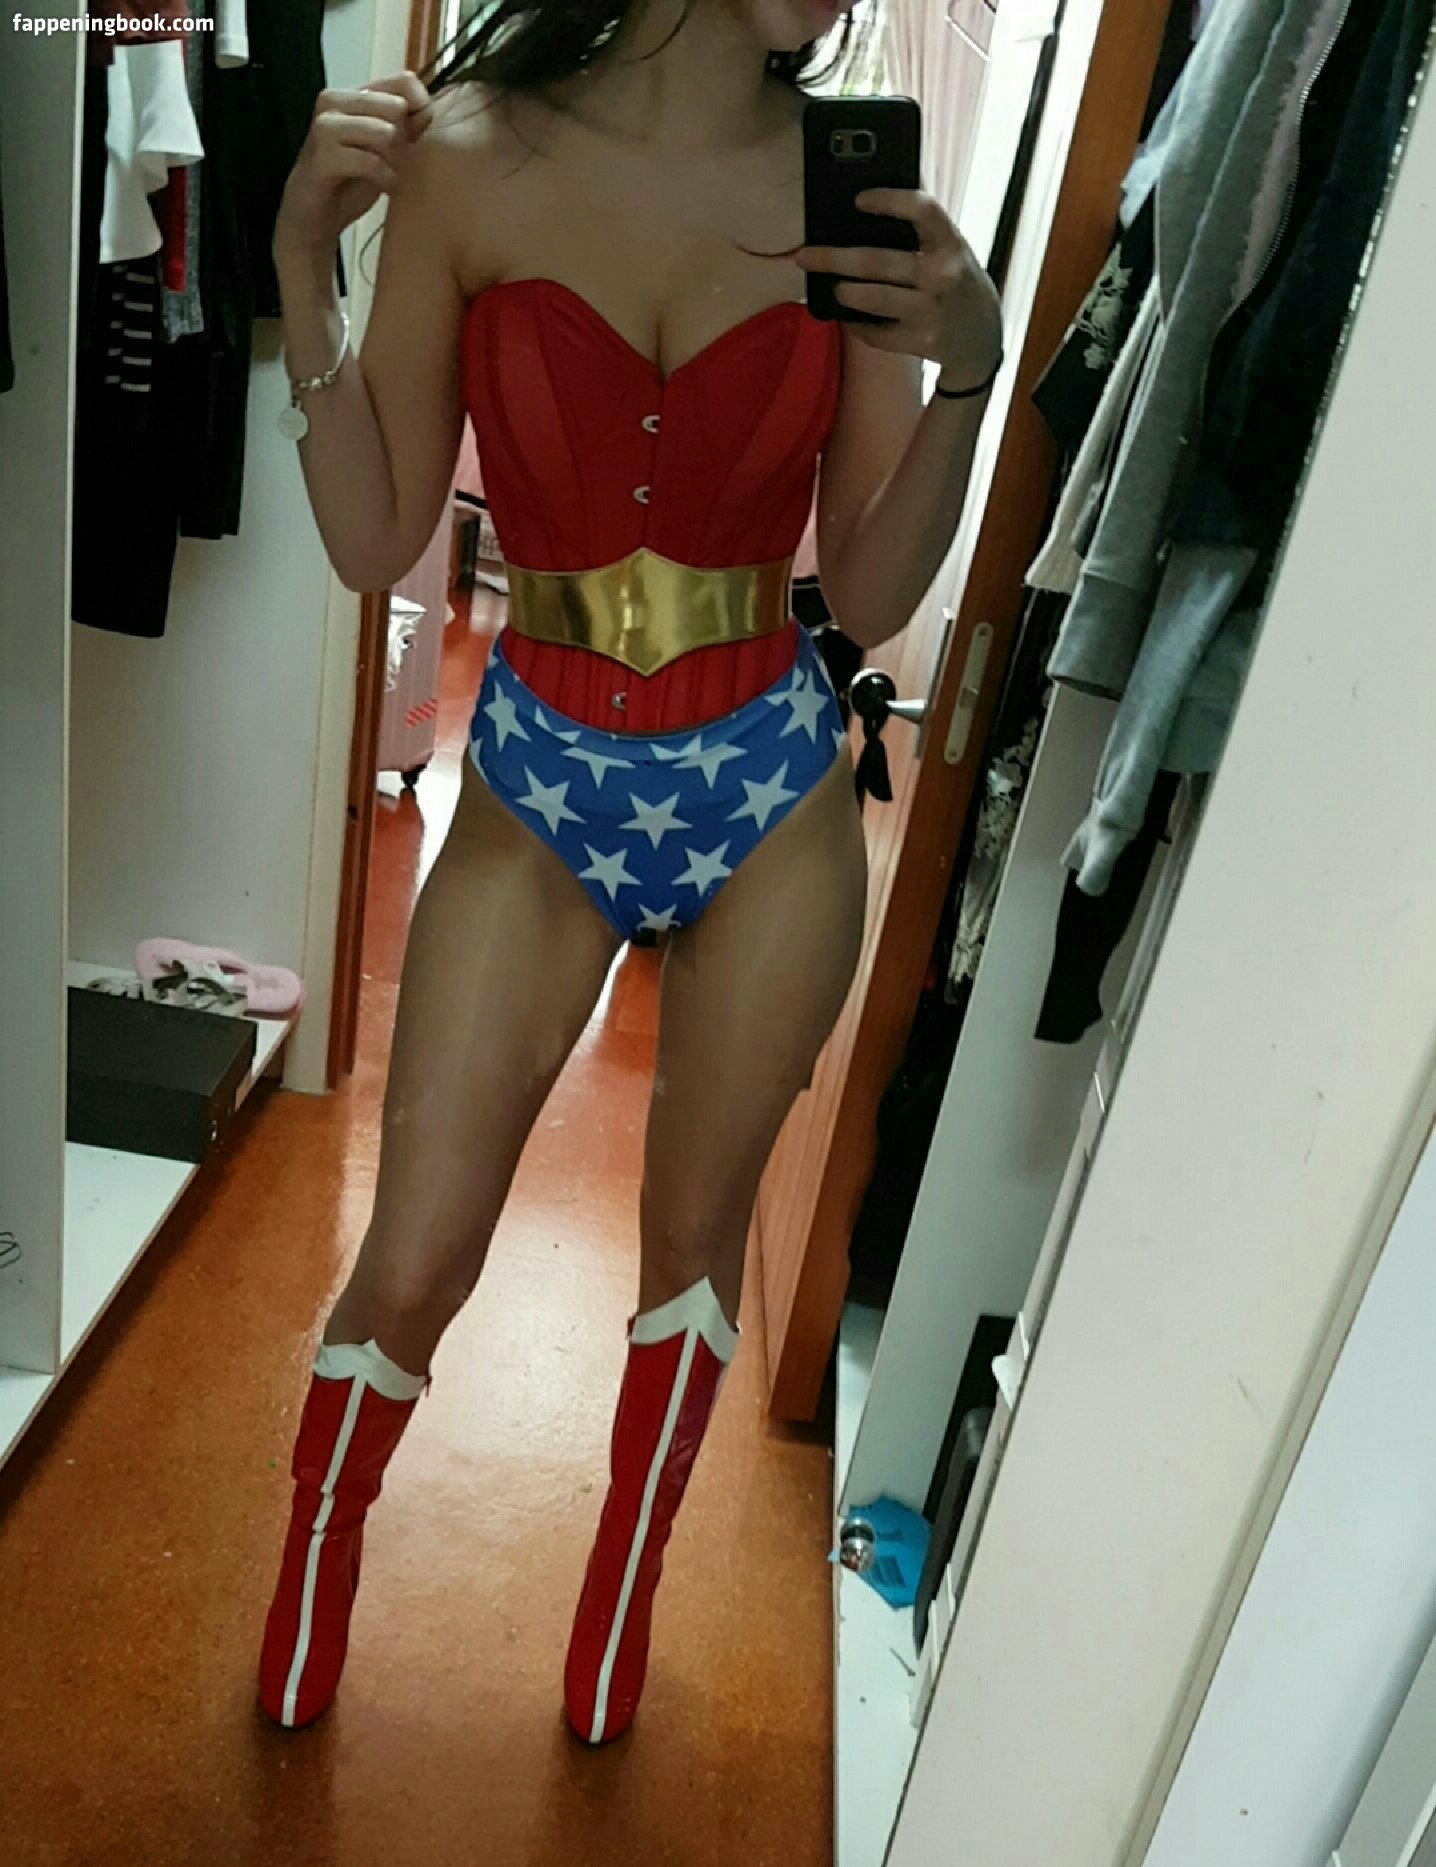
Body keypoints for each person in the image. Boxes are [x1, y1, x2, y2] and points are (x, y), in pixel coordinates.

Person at [257, 0, 1003, 1741]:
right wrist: (300, 270)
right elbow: (374, 536)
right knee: (414, 1253)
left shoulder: (846, 188)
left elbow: (871, 592)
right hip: (537, 787)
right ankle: (313, 1561)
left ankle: (621, 1599)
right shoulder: (467, 155)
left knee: (690, 1260)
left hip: (770, 790)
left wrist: (970, 375)